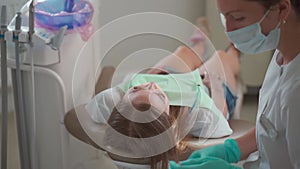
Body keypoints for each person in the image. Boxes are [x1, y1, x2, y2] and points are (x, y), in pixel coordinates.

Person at [85, 24, 241, 168]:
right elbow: (222, 119)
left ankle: (200, 44)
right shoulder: (199, 115)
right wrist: (216, 86)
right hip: (206, 87)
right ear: (168, 121)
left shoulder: (108, 103)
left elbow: (93, 107)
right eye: (159, 96)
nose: (151, 86)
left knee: (183, 52)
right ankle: (235, 47)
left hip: (167, 78)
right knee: (221, 57)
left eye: (136, 90)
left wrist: (147, 78)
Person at [169, 0, 300, 169]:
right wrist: (232, 149)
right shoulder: (284, 51)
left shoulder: (296, 91)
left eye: (238, 18)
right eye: (224, 17)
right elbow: (272, 127)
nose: (229, 30)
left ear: (282, 9)